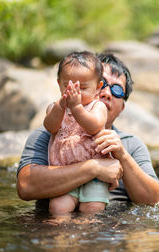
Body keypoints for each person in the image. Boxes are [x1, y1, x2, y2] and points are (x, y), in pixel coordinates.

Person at [16, 53, 159, 213]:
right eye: (103, 82)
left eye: (117, 90)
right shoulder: (50, 135)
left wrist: (123, 157)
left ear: (122, 108)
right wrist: (94, 168)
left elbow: (152, 200)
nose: (107, 93)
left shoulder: (130, 144)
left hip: (108, 232)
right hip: (54, 228)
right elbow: (25, 186)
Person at [44, 51, 109, 215]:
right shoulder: (55, 107)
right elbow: (50, 127)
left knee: (92, 209)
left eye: (83, 88)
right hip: (63, 172)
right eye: (68, 87)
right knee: (58, 208)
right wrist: (61, 106)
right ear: (59, 84)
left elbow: (94, 127)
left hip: (94, 175)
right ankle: (61, 238)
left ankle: (85, 237)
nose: (75, 93)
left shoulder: (97, 107)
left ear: (98, 88)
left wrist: (77, 108)